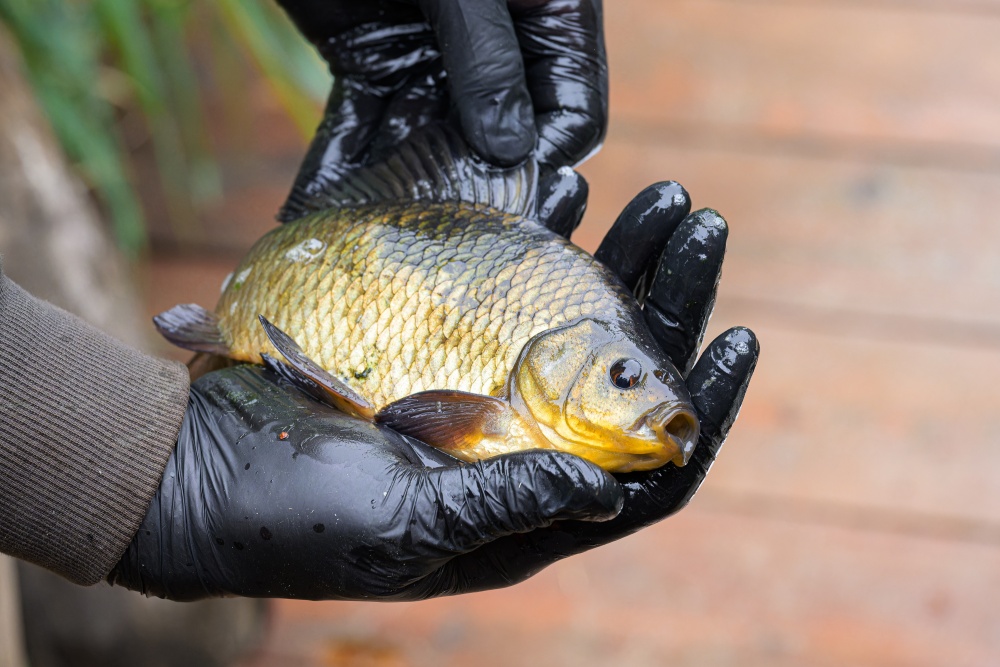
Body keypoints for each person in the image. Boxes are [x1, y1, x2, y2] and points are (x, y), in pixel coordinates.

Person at [0, 0, 758, 601]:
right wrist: (138, 472)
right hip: (298, 273)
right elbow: (424, 419)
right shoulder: (510, 409)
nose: (649, 395)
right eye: (626, 373)